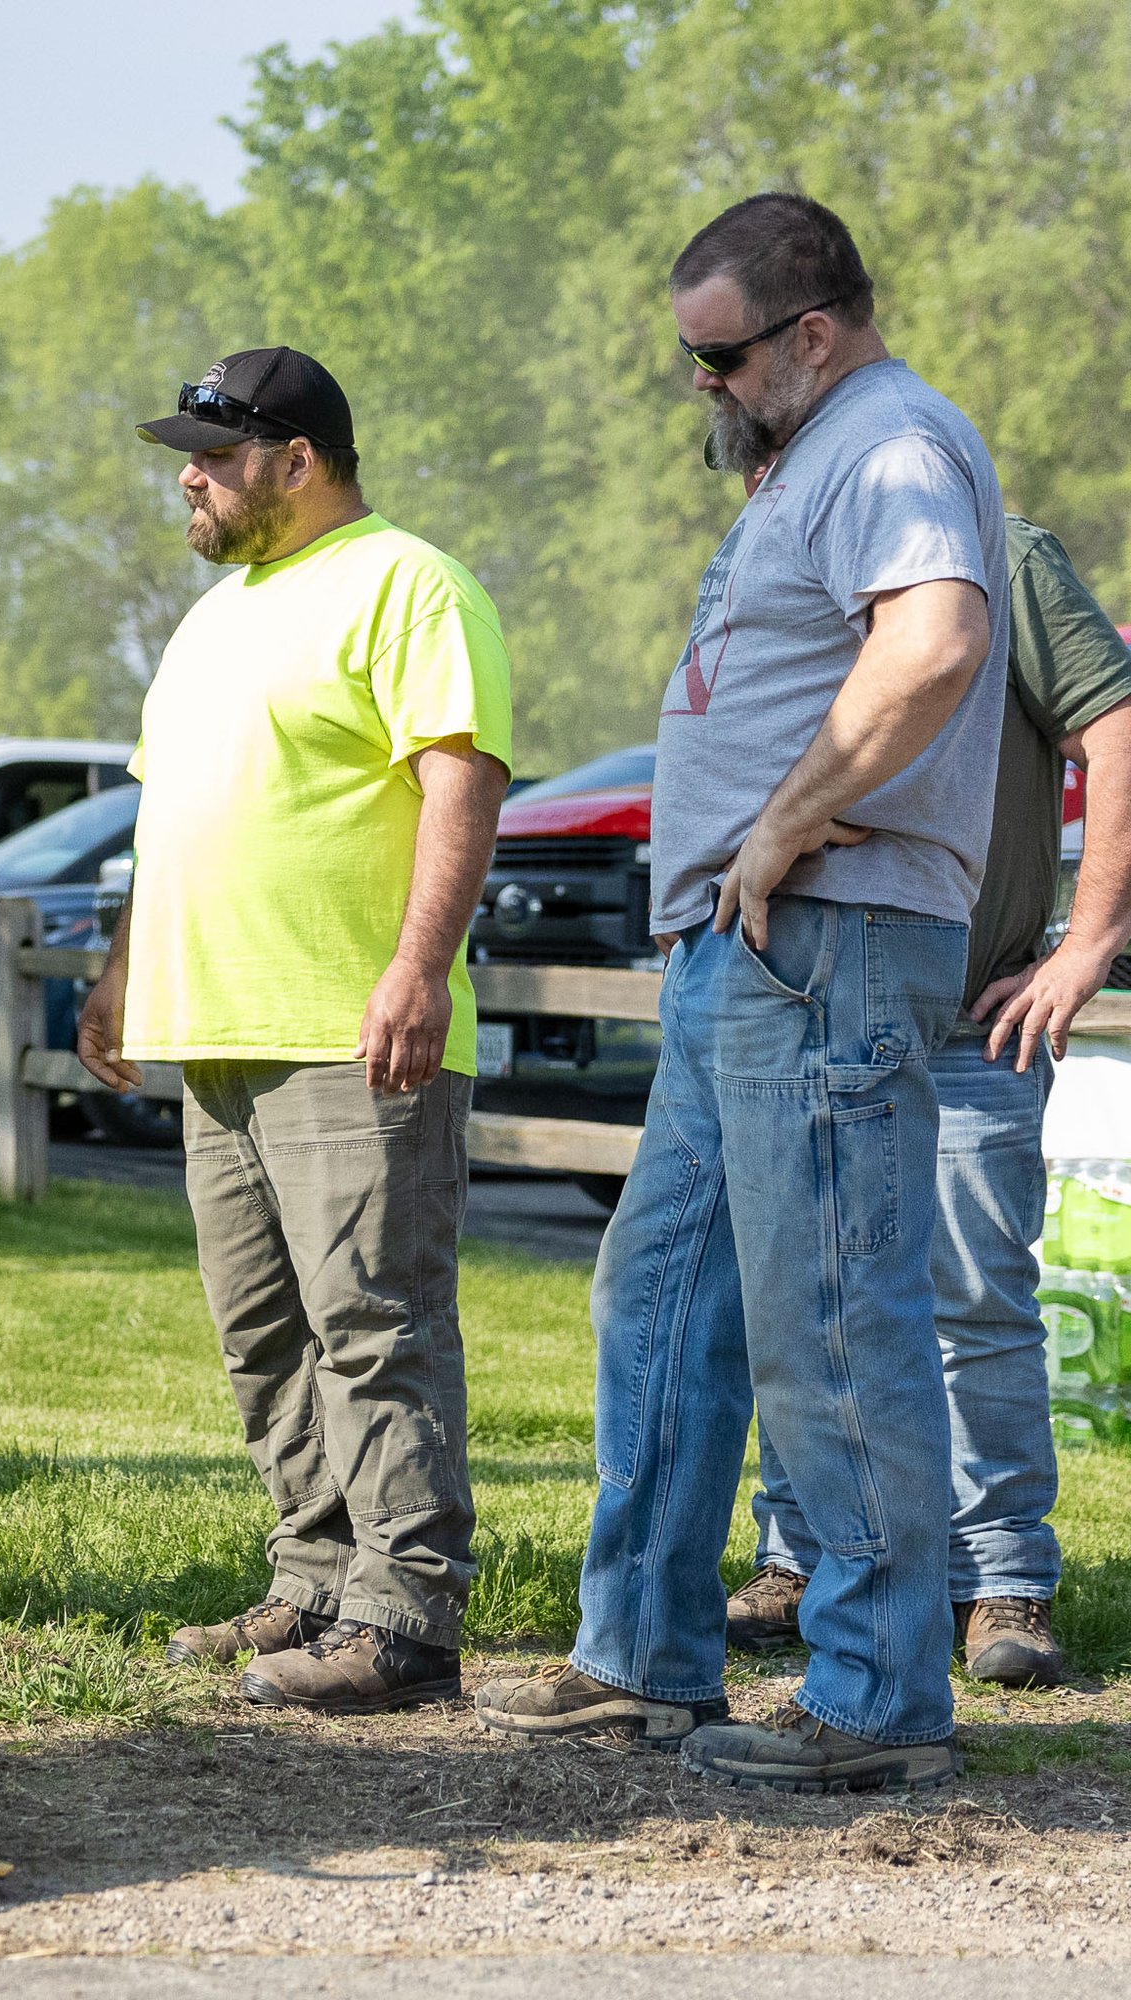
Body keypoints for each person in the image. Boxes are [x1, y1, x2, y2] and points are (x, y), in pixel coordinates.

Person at [474, 194, 1008, 1791]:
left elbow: (937, 639)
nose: (700, 384)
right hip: (752, 950)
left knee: (834, 1320)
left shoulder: (890, 443)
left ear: (813, 337)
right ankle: (642, 1655)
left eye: (719, 357)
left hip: (824, 934)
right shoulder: (816, 455)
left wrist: (780, 821)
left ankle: (876, 1697)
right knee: (665, 1298)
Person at [78, 346, 512, 1713]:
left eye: (210, 457)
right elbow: (171, 823)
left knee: (374, 1326)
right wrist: (119, 973)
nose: (189, 481)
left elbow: (461, 781)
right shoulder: (214, 619)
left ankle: (406, 1614)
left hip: (351, 1032)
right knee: (263, 1336)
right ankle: (315, 1576)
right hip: (215, 1029)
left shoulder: (410, 584)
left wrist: (417, 970)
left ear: (297, 461)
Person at [729, 515, 1131, 1688]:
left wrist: (1088, 940)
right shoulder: (770, 552)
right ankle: (800, 1553)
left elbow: (1111, 725)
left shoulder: (999, 550)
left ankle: (997, 1578)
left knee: (970, 1299)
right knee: (803, 1295)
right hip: (803, 1003)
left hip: (965, 1014)